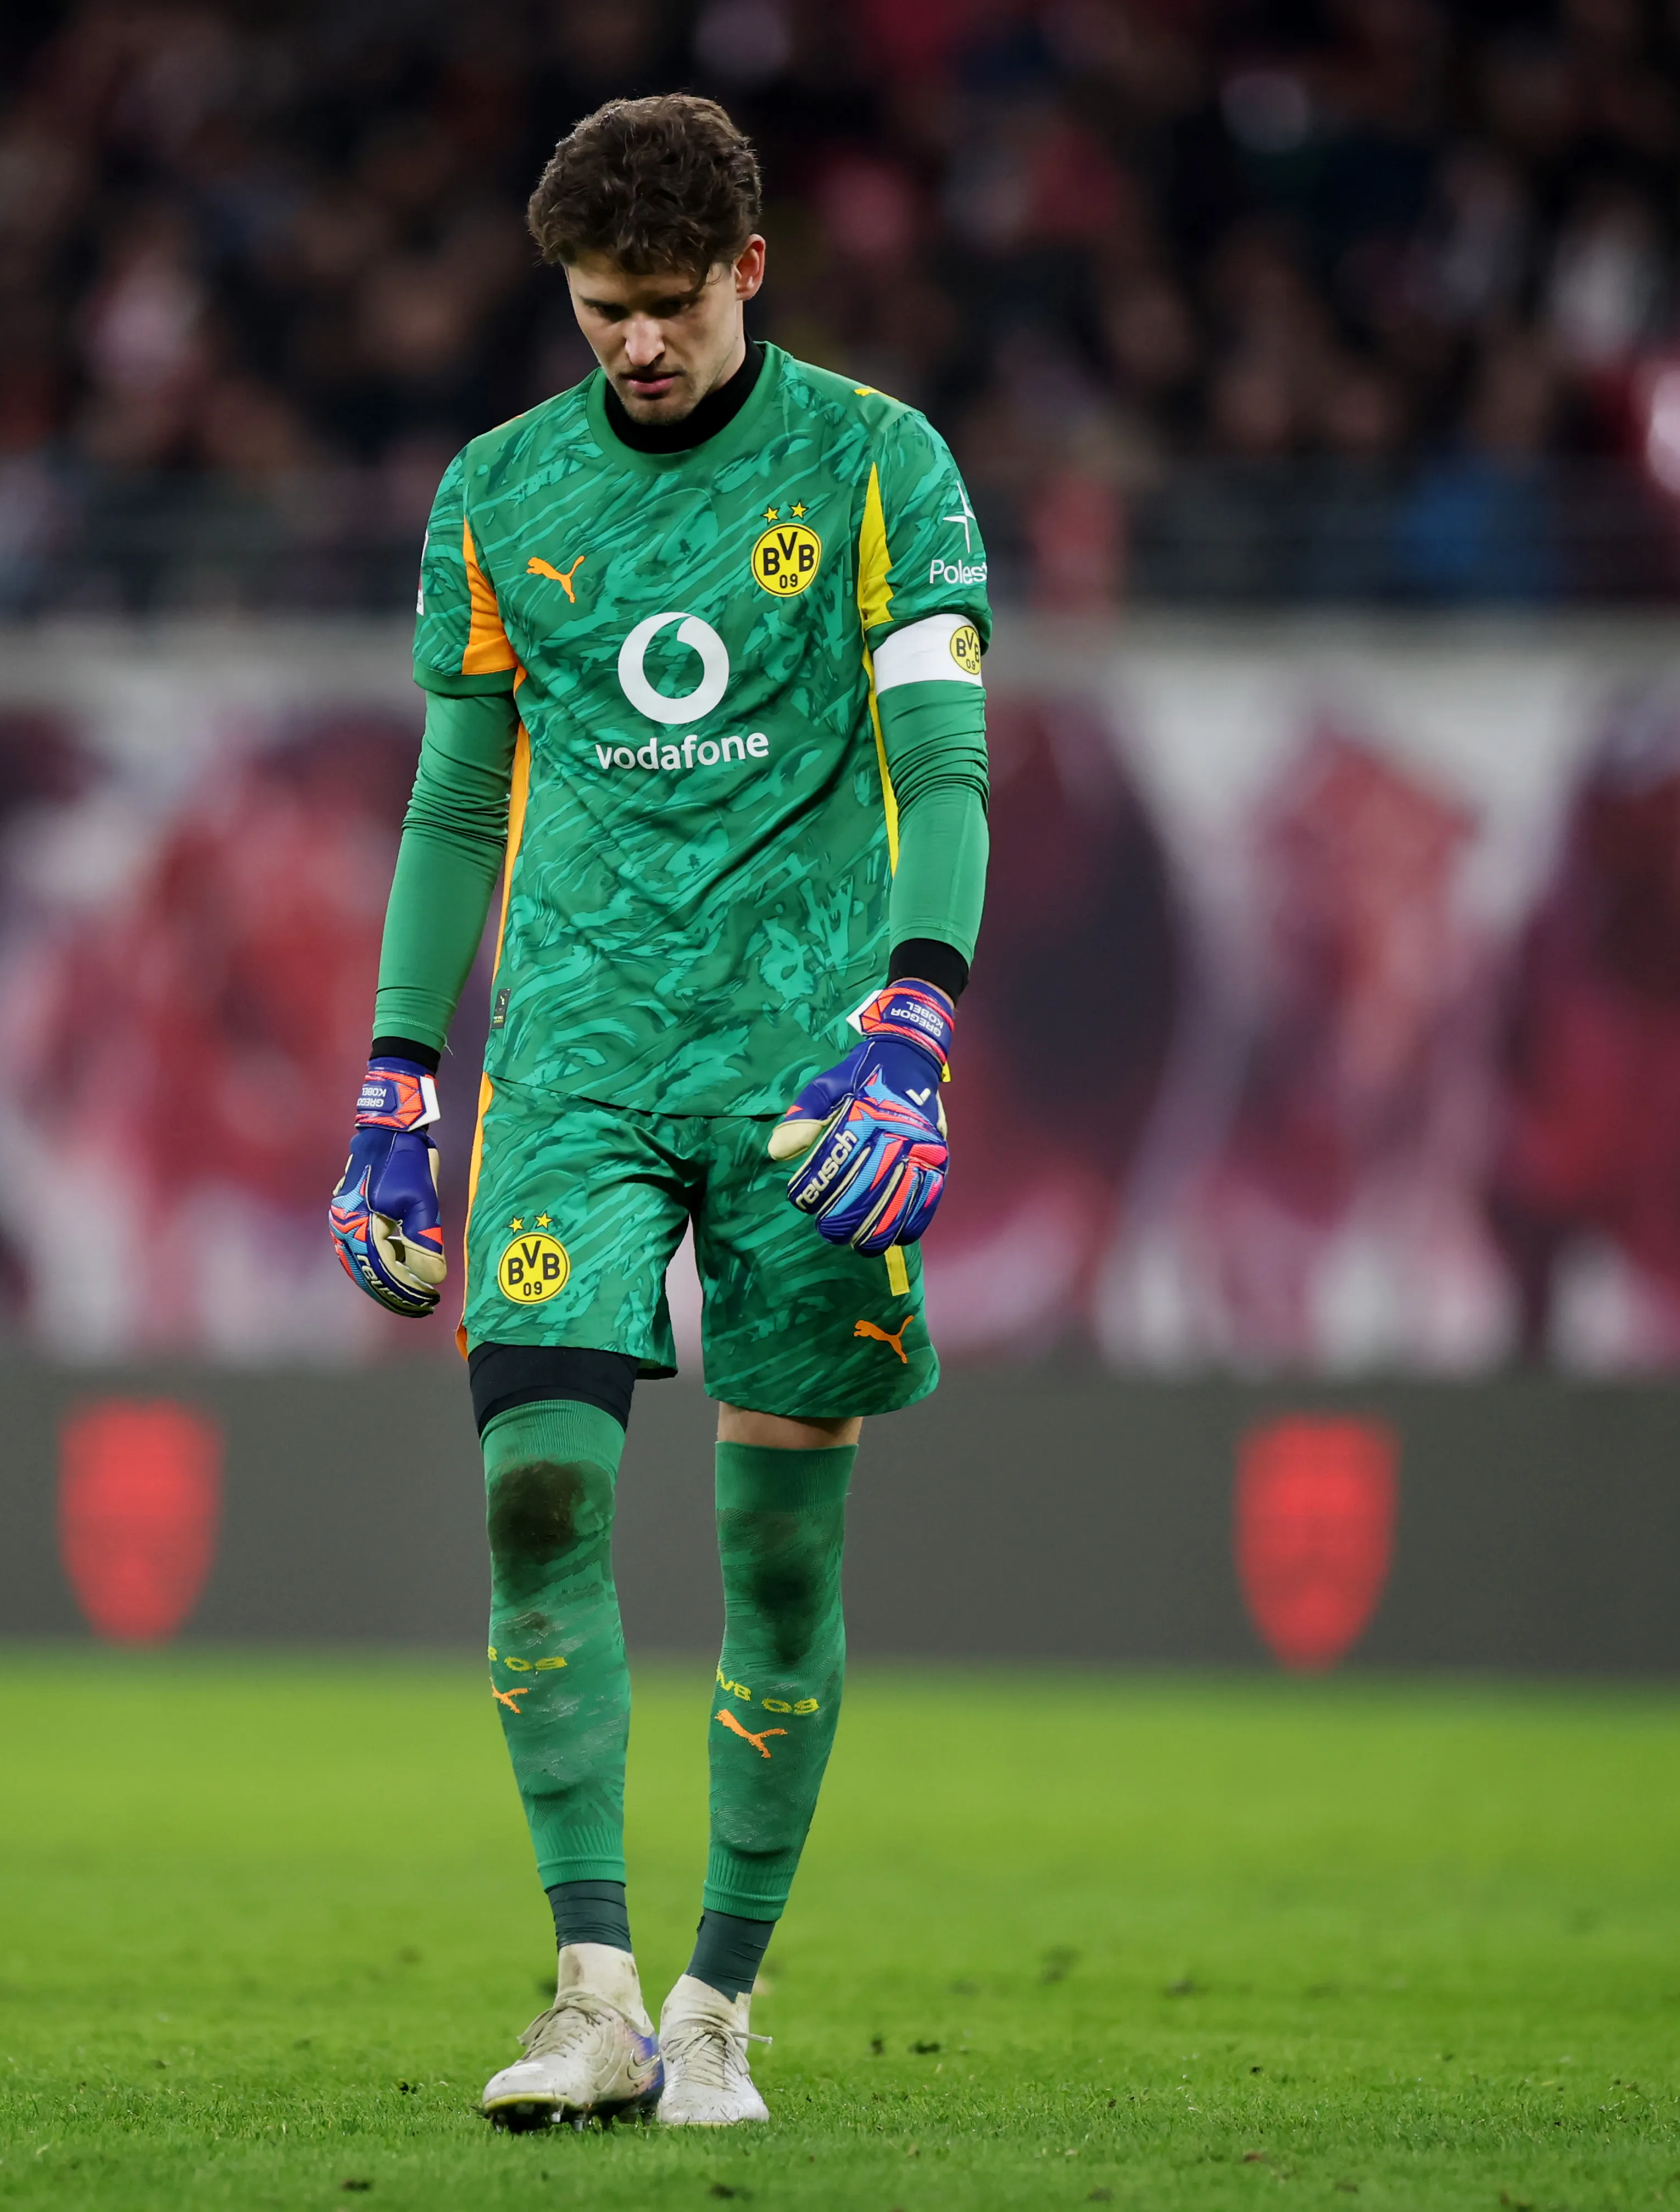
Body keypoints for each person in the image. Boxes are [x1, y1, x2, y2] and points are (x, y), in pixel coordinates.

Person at [326, 95, 991, 2132]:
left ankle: (720, 2000)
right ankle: (592, 1987)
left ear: (748, 276)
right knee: (539, 1488)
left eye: (668, 305)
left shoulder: (882, 467)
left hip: (811, 1088)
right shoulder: (498, 494)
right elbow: (455, 803)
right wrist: (397, 1068)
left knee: (778, 1556)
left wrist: (916, 1021)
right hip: (582, 1064)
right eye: (601, 308)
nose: (633, 343)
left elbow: (946, 769)